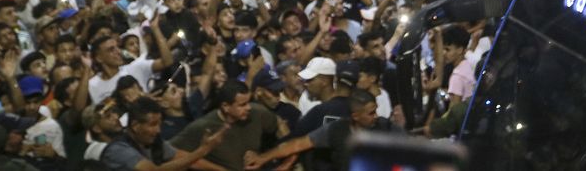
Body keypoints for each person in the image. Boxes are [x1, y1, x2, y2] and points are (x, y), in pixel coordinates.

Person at [243, 90, 400, 171]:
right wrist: (263, 158)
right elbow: (298, 144)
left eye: (375, 111)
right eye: (370, 113)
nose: (376, 116)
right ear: (356, 116)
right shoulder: (336, 130)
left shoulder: (385, 127)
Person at [170, 82, 279, 171]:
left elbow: (281, 133)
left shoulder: (258, 113)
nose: (249, 108)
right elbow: (172, 154)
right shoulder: (203, 127)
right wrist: (217, 169)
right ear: (225, 106)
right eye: (242, 105)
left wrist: (262, 156)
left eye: (248, 102)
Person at [99, 96, 226, 171]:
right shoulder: (118, 149)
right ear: (135, 126)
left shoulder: (153, 142)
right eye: (153, 124)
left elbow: (186, 159)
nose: (158, 130)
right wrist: (203, 150)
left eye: (159, 124)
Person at [88, 16, 174, 104]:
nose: (117, 52)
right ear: (99, 58)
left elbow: (167, 62)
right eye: (111, 49)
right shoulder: (92, 85)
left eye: (117, 48)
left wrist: (155, 29)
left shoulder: (136, 67)